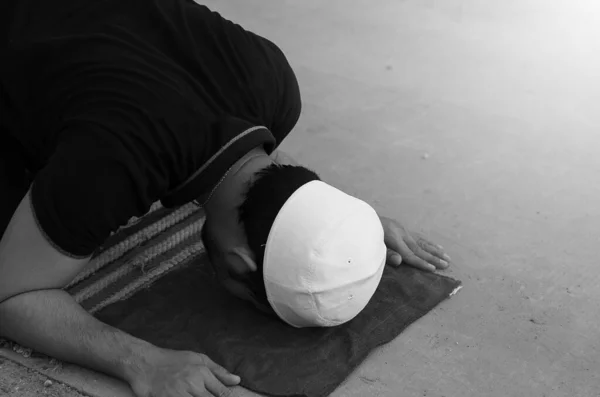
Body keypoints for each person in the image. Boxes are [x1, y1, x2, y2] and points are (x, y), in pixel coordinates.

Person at [0, 0, 451, 396]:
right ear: (238, 264)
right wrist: (140, 361)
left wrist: (345, 220)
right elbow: (10, 295)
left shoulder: (275, 83)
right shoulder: (116, 168)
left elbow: (259, 160)